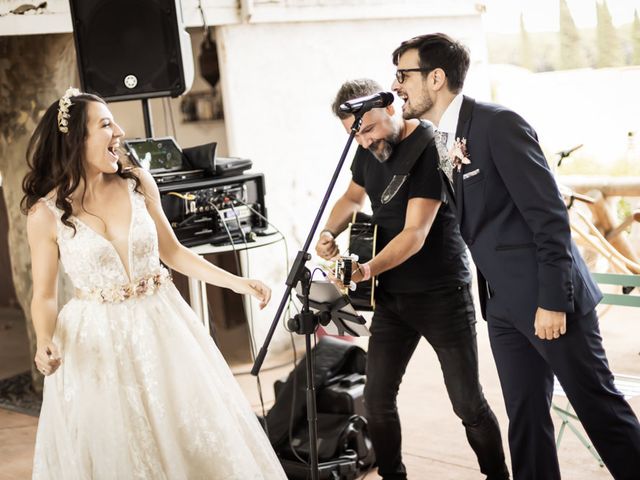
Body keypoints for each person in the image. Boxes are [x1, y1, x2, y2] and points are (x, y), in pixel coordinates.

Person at [390, 33, 640, 479]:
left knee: (601, 412)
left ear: (437, 77)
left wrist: (552, 301)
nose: (396, 87)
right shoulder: (442, 138)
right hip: (501, 306)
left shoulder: (497, 124)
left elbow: (549, 218)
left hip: (547, 300)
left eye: (403, 75)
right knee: (525, 419)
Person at [21, 88, 287, 479]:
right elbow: (43, 294)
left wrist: (236, 282)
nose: (120, 132)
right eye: (107, 124)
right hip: (95, 341)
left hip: (162, 325)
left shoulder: (138, 183)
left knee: (189, 429)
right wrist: (45, 339)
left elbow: (174, 252)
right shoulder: (45, 214)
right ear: (76, 139)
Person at [315, 79, 509, 480]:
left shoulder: (430, 148)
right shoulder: (367, 149)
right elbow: (352, 198)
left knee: (467, 404)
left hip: (442, 295)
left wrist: (365, 270)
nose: (364, 141)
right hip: (392, 298)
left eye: (367, 129)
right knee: (376, 399)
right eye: (355, 135)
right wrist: (329, 233)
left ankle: (498, 476)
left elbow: (414, 234)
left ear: (389, 107)